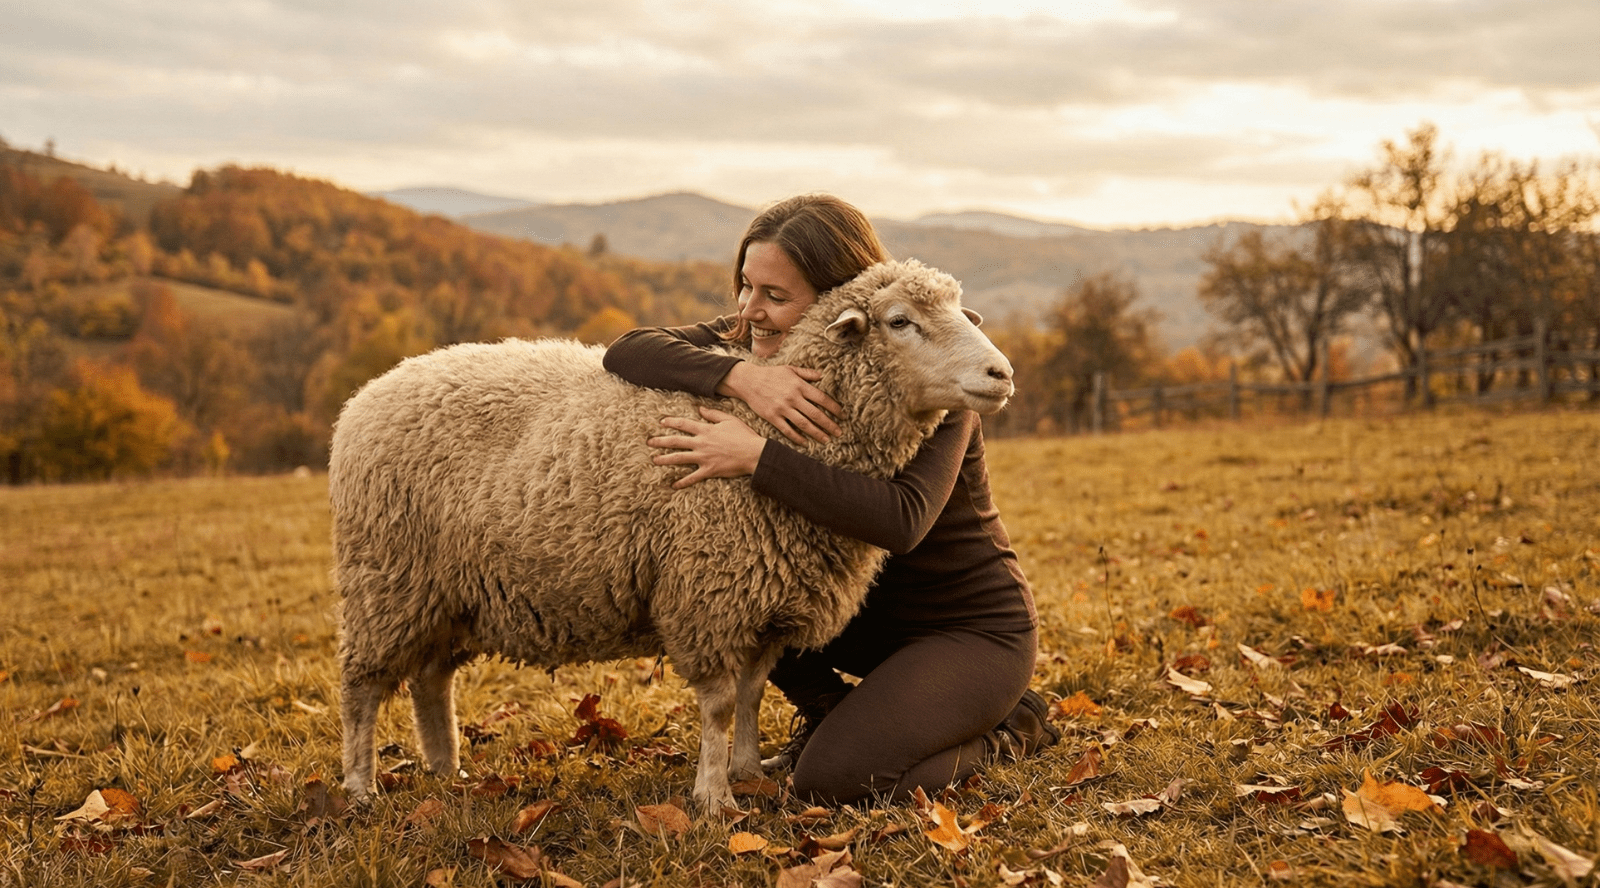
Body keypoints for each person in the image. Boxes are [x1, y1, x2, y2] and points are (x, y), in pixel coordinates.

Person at [602, 193, 1057, 805]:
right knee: (745, 580)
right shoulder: (754, 338)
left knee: (835, 781)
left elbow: (901, 521)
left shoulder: (923, 376)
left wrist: (757, 456)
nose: (750, 311)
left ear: (837, 299)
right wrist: (739, 375)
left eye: (776, 296)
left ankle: (1011, 729)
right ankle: (831, 711)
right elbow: (628, 349)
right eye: (745, 286)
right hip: (847, 623)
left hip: (960, 631)